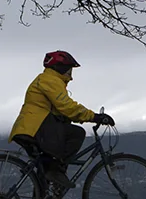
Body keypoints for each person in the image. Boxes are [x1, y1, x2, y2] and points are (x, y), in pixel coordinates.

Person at [8, 50, 115, 189]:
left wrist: (82, 117)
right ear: (61, 68)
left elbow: (63, 112)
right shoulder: (50, 81)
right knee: (76, 134)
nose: (71, 77)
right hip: (36, 128)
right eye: (69, 71)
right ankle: (56, 170)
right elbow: (67, 107)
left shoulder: (47, 80)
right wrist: (94, 117)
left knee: (44, 170)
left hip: (30, 128)